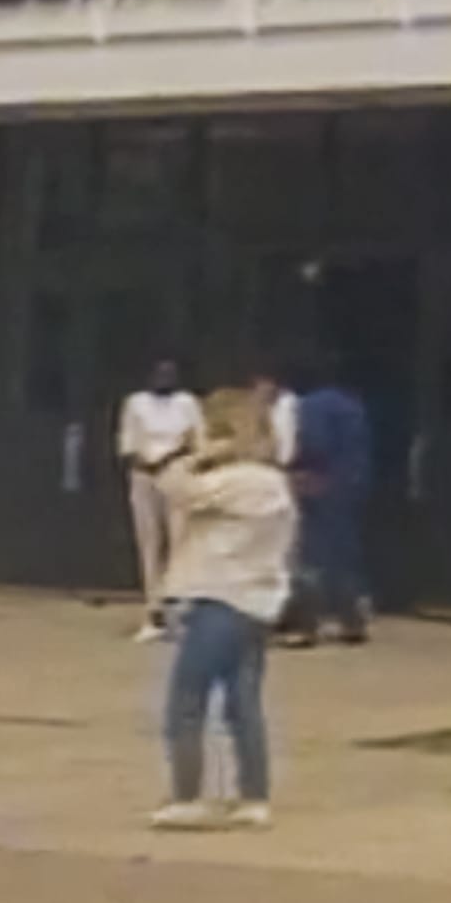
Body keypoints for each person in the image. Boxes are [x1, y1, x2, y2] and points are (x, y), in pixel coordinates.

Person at [148, 387, 296, 831]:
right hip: (256, 602)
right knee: (242, 700)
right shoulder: (273, 483)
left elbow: (174, 488)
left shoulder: (240, 480)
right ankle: (253, 795)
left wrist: (192, 455)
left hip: (220, 597)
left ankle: (188, 795)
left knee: (186, 699)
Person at [282, 352, 374, 647]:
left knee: (312, 555)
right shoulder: (352, 404)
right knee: (344, 551)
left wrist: (300, 472)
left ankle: (306, 624)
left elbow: (314, 443)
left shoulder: (311, 404)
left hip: (322, 484)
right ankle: (352, 620)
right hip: (352, 482)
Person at [117, 358, 203, 643]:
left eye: (169, 373)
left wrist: (171, 458)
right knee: (149, 542)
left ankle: (178, 610)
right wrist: (143, 462)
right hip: (144, 474)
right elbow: (127, 442)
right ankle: (153, 611)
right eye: (158, 372)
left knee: (180, 541)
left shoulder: (187, 403)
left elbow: (198, 440)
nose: (163, 377)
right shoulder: (135, 403)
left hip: (177, 469)